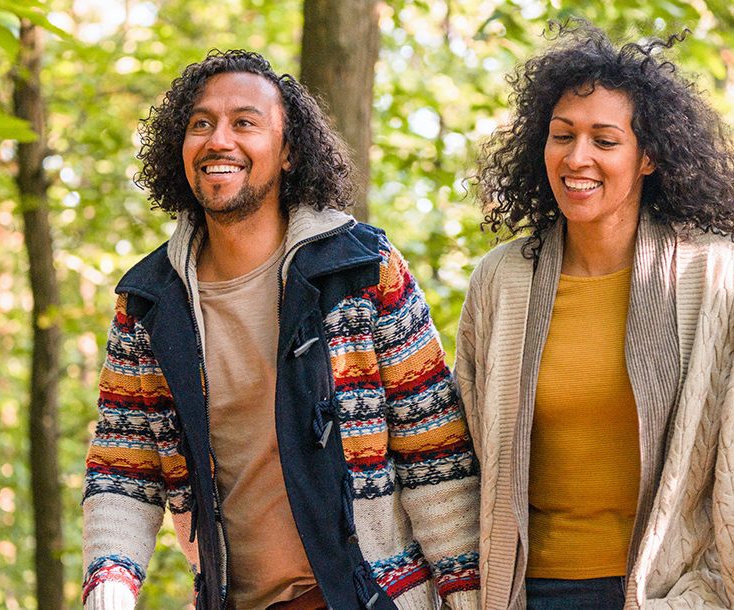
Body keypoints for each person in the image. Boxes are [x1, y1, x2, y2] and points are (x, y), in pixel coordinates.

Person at [80, 49, 481, 610]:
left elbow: (435, 453)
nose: (220, 140)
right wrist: (109, 584)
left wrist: (466, 596)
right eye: (201, 124)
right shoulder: (149, 300)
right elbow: (124, 467)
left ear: (289, 151)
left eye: (245, 122)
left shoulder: (362, 268)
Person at [456, 22, 734, 610]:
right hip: (522, 592)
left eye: (605, 140)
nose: (578, 158)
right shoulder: (501, 279)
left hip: (667, 594)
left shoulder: (715, 276)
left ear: (648, 155)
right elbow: (465, 458)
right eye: (561, 136)